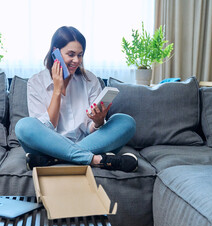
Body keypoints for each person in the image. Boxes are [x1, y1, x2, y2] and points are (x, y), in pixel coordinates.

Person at [15, 26, 137, 172]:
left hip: (87, 142)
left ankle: (54, 159)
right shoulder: (35, 82)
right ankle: (96, 160)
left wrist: (98, 121)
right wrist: (57, 90)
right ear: (55, 52)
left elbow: (91, 130)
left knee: (126, 122)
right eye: (71, 54)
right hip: (48, 145)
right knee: (23, 126)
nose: (76, 60)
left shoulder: (90, 80)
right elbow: (47, 128)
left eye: (80, 55)